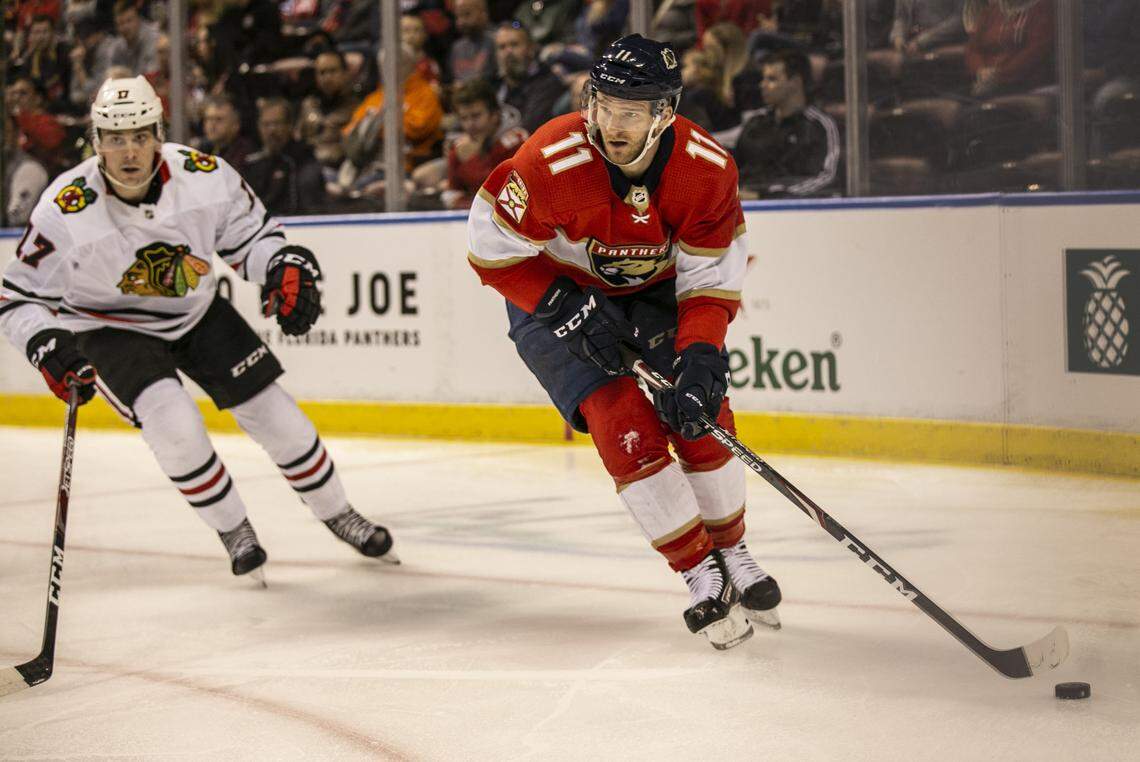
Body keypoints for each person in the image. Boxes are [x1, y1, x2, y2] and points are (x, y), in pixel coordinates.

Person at [0, 77, 398, 579]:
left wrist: (282, 265)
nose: (129, 151)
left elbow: (253, 239)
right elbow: (17, 299)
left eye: (140, 136)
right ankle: (234, 529)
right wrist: (45, 344)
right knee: (176, 427)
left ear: (159, 134)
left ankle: (340, 513)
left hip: (195, 309)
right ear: (96, 142)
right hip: (106, 326)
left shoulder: (204, 176)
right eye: (115, 138)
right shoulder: (65, 207)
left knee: (279, 418)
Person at [467, 35, 781, 649]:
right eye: (603, 105)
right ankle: (700, 575)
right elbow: (489, 249)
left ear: (663, 114)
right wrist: (561, 305)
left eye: (630, 112)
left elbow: (710, 279)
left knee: (701, 410)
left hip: (658, 294)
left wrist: (700, 352)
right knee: (621, 421)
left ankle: (735, 555)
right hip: (551, 294)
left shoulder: (706, 169)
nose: (611, 124)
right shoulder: (551, 159)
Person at [734, 49, 840, 199]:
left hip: (793, 213)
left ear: (795, 82)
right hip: (743, 209)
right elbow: (733, 168)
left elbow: (826, 178)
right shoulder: (756, 123)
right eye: (763, 79)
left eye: (772, 79)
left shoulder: (819, 125)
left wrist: (764, 197)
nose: (762, 85)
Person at [442, 78, 527, 209]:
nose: (470, 124)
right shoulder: (459, 148)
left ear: (495, 115)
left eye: (476, 116)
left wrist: (472, 160)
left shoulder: (517, 142)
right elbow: (451, 194)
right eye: (464, 118)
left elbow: (512, 198)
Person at [243, 97, 328, 216]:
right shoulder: (253, 163)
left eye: (277, 123)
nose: (271, 130)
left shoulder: (303, 158)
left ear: (290, 126)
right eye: (266, 124)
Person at [494, 22, 566, 135]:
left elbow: (529, 128)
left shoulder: (547, 81)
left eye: (514, 45)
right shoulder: (495, 84)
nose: (508, 52)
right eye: (502, 47)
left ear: (531, 48)